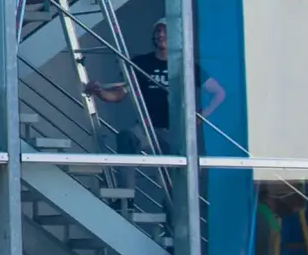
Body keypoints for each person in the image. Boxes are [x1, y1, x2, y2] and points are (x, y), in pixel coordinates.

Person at [84, 19, 225, 154]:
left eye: (166, 31)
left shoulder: (186, 66)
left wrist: (202, 114)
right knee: (127, 139)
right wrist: (99, 92)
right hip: (146, 128)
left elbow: (219, 93)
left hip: (175, 131)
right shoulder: (140, 63)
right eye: (158, 31)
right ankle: (125, 173)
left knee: (177, 164)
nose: (161, 34)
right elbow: (119, 94)